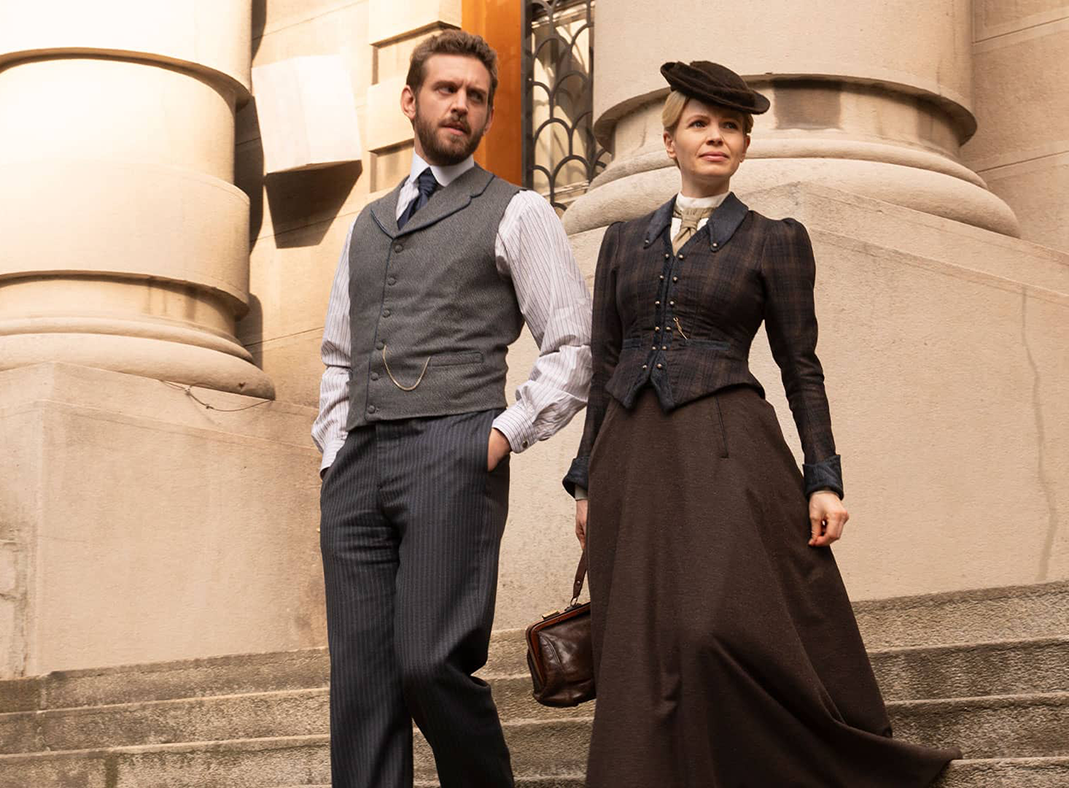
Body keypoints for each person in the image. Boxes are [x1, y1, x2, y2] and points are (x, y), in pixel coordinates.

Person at [564, 60, 961, 786]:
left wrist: (824, 478)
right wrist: (586, 481)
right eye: (701, 124)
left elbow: (799, 365)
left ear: (745, 145)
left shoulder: (775, 239)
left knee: (711, 628)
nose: (716, 137)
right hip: (629, 453)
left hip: (724, 443)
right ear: (671, 139)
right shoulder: (621, 241)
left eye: (732, 128)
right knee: (636, 642)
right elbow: (606, 363)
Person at [313, 30, 592, 788]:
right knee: (364, 692)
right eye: (446, 90)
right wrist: (334, 454)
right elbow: (339, 355)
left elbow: (572, 345)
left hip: (453, 450)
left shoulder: (517, 211)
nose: (461, 105)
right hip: (358, 468)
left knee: (430, 663)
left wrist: (499, 436)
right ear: (411, 100)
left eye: (476, 96)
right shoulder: (364, 227)